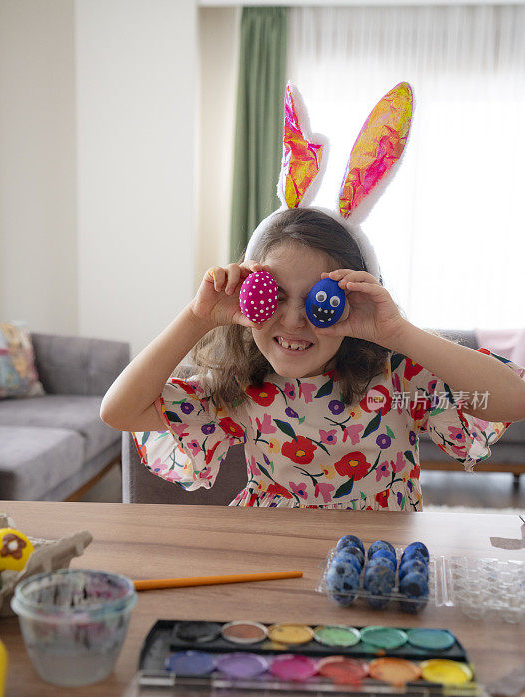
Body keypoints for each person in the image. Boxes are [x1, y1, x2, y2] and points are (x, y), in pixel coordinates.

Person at [100, 84, 525, 511]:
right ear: (250, 297)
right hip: (272, 551)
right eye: (274, 294)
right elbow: (118, 412)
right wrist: (198, 317)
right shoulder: (242, 387)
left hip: (376, 560)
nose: (293, 320)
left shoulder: (398, 380)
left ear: (352, 298)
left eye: (320, 300)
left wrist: (400, 334)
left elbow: (514, 400)